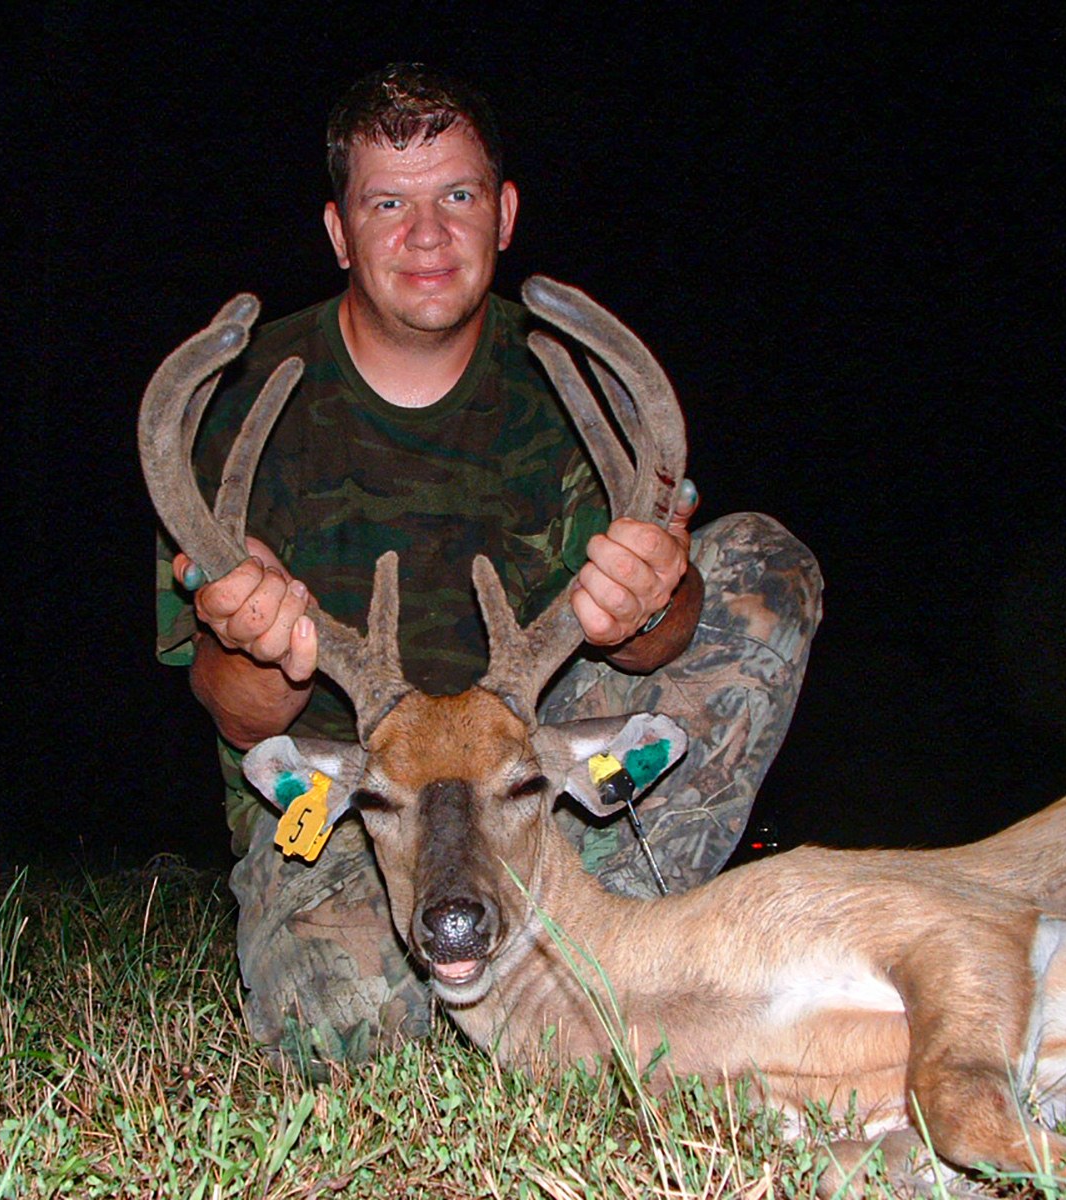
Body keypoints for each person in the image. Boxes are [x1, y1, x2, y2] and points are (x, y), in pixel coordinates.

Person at [155, 63, 822, 1075]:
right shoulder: (244, 411)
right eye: (389, 201)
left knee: (757, 571)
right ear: (340, 229)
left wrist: (650, 602)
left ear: (503, 213)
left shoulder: (571, 393)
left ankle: (613, 937)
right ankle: (496, 974)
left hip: (528, 783)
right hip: (355, 807)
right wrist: (250, 639)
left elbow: (668, 639)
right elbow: (244, 719)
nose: (426, 234)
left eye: (455, 195)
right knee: (339, 1043)